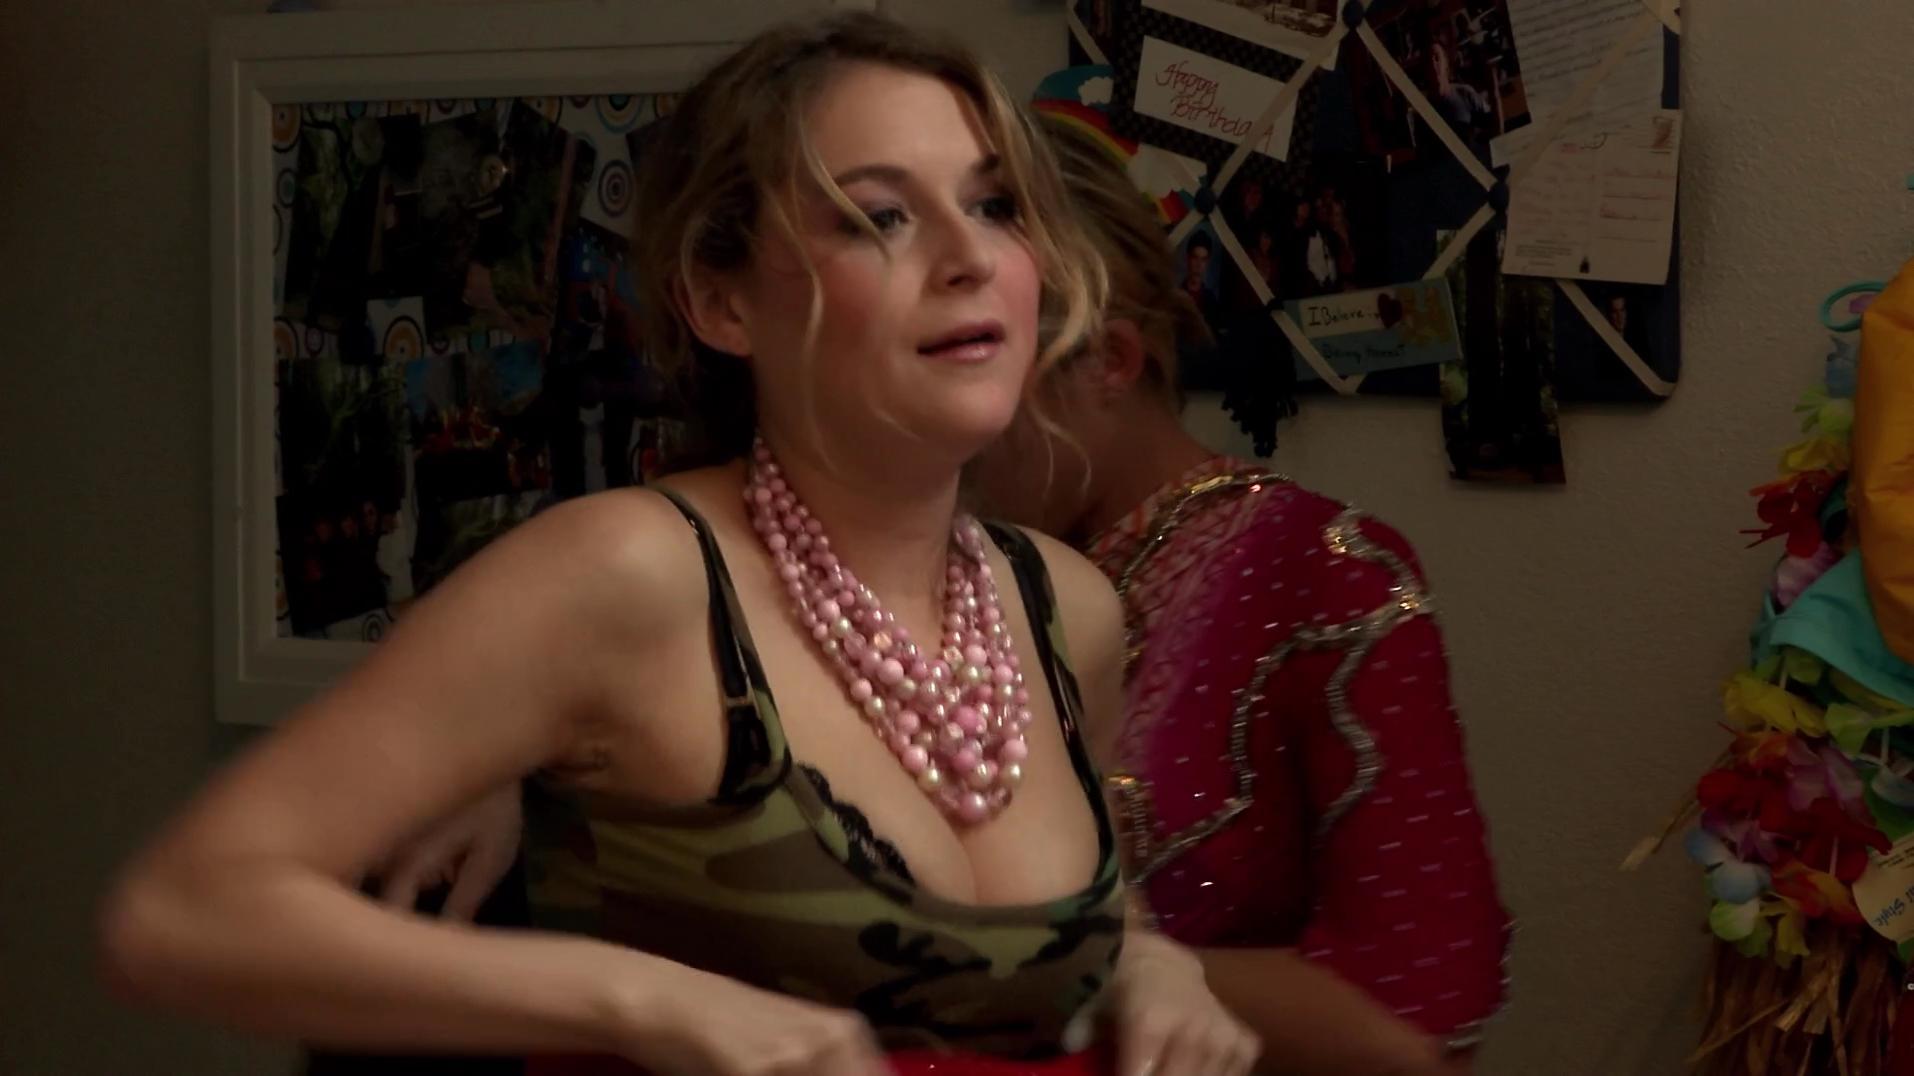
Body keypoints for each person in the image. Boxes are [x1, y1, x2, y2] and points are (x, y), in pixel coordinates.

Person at [96, 14, 1258, 1076]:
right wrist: (640, 999)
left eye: (996, 204)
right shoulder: (629, 574)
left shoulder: (1068, 607)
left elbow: (1077, 927)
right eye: (880, 216)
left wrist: (1150, 963)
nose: (968, 256)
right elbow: (184, 910)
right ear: (721, 300)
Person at [968, 114, 1512, 1075]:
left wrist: (1061, 964)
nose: (938, 431)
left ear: (1109, 361)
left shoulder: (1322, 570)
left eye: (975, 370)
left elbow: (1414, 1021)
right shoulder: (952, 568)